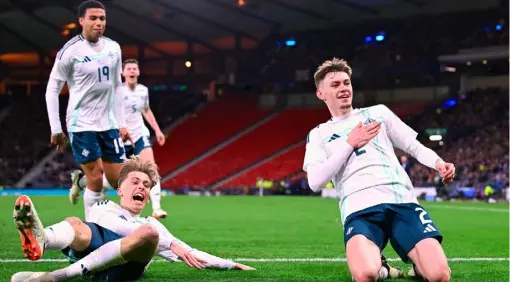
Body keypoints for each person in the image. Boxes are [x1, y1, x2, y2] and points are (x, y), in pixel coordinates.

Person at [303, 58, 455, 282]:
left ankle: (418, 267)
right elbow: (315, 182)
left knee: (439, 275)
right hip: (360, 209)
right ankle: (382, 268)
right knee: (365, 275)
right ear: (321, 93)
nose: (343, 88)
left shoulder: (379, 113)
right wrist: (350, 144)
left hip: (402, 202)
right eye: (335, 85)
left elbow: (413, 146)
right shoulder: (318, 133)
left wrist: (438, 162)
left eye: (346, 83)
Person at [11, 157, 255, 282]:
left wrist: (231, 264)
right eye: (135, 182)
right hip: (92, 257)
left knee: (148, 232)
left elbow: (191, 253)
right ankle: (43, 238)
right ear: (120, 190)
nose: (142, 187)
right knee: (76, 223)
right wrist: (169, 244)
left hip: (123, 271)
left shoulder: (152, 226)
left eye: (146, 185)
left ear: (148, 196)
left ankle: (54, 276)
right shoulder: (106, 206)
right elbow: (110, 226)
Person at [45, 0, 133, 220]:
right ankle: (92, 235)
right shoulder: (70, 51)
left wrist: (122, 122)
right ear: (81, 21)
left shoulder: (114, 48)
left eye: (102, 18)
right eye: (93, 18)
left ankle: (79, 181)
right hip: (81, 123)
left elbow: (117, 86)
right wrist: (56, 128)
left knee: (118, 181)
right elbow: (52, 89)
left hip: (109, 123)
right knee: (96, 178)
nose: (98, 23)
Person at [70, 58, 168, 219]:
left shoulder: (143, 90)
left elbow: (146, 110)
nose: (132, 71)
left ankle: (157, 208)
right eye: (128, 68)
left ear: (138, 72)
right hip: (119, 136)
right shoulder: (116, 90)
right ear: (122, 73)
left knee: (151, 168)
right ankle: (80, 182)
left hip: (139, 134)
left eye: (134, 68)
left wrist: (157, 130)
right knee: (114, 180)